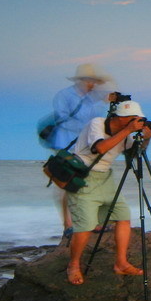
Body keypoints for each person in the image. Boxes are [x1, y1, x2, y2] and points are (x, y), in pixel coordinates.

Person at [65, 99, 151, 285]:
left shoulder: (125, 134)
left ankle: (120, 263)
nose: (137, 122)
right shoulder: (97, 123)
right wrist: (128, 131)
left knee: (123, 216)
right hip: (83, 178)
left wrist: (147, 138)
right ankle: (73, 265)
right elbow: (100, 148)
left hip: (105, 178)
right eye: (133, 119)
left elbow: (134, 153)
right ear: (121, 119)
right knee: (85, 226)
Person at [49, 63, 115, 240]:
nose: (92, 84)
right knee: (66, 185)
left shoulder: (91, 99)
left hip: (86, 145)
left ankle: (92, 222)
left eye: (94, 81)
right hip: (66, 144)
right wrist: (87, 128)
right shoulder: (64, 96)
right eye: (89, 81)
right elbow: (62, 120)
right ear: (81, 80)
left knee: (90, 182)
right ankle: (68, 225)